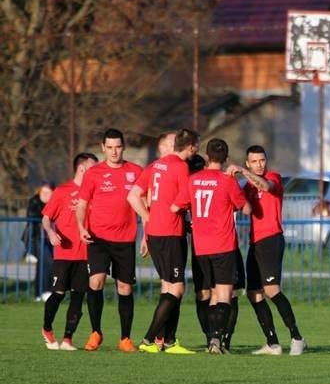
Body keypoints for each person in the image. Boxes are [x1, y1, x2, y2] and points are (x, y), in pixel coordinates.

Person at [172, 138, 249, 354]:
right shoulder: (227, 181)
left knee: (208, 295)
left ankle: (211, 339)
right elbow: (246, 209)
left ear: (207, 157)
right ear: (226, 158)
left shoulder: (193, 180)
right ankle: (216, 339)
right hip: (223, 246)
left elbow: (175, 207)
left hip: (200, 248)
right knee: (224, 295)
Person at [127, 129, 197, 354]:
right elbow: (185, 199)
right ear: (191, 147)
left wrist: (149, 218)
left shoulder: (155, 166)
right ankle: (149, 340)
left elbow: (132, 196)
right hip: (170, 233)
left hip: (156, 233)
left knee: (168, 287)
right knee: (177, 288)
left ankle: (168, 341)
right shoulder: (181, 167)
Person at [234, 145, 306, 355]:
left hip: (271, 239)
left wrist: (243, 172)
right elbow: (240, 205)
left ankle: (297, 338)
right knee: (254, 294)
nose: (259, 165)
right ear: (248, 163)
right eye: (254, 161)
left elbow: (266, 186)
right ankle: (273, 343)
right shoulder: (247, 186)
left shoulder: (273, 177)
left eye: (262, 160)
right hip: (255, 242)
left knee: (272, 290)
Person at [76, 128, 143, 352]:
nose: (114, 151)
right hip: (98, 237)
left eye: (118, 147)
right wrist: (81, 227)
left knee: (124, 287)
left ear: (124, 147)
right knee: (96, 281)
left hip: (125, 239)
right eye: (110, 147)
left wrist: (147, 234)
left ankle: (125, 338)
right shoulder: (93, 173)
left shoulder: (136, 171)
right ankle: (96, 332)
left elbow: (146, 203)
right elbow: (82, 205)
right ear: (103, 148)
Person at [39, 153, 98, 350]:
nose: (97, 171)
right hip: (64, 253)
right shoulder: (63, 191)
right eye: (93, 167)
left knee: (78, 297)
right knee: (58, 293)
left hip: (86, 254)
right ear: (82, 168)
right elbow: (46, 218)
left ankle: (67, 339)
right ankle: (47, 329)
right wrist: (50, 232)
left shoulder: (95, 193)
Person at [24, 182, 55, 301]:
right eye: (44, 192)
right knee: (47, 261)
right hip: (37, 237)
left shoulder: (54, 202)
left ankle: (39, 293)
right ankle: (45, 290)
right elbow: (32, 216)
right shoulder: (34, 201)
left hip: (51, 236)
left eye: (49, 192)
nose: (46, 195)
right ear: (39, 192)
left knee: (44, 264)